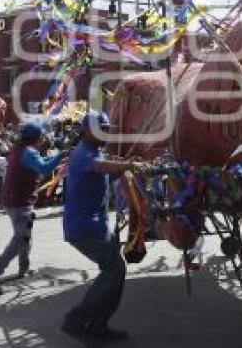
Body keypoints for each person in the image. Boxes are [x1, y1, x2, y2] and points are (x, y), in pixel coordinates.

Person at [60, 112, 148, 343]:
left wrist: (127, 165)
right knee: (113, 271)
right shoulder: (82, 153)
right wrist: (129, 163)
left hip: (97, 226)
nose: (106, 133)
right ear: (88, 131)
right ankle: (76, 320)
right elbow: (100, 166)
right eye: (102, 129)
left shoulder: (95, 151)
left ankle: (98, 324)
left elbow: (108, 164)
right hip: (83, 227)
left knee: (115, 272)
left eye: (107, 129)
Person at [0, 122, 64, 294]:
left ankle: (23, 268)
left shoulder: (20, 150)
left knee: (25, 236)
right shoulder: (29, 152)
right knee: (21, 238)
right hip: (19, 201)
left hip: (14, 199)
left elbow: (39, 162)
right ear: (37, 138)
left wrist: (60, 158)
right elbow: (44, 167)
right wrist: (60, 156)